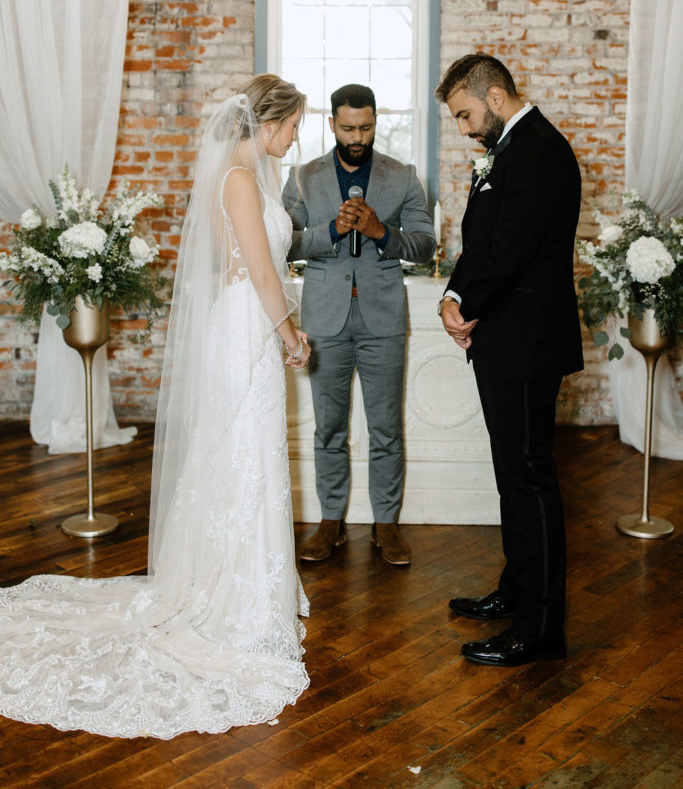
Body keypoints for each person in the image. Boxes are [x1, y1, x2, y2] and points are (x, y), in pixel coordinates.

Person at [0, 75, 312, 738]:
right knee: (239, 454)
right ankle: (228, 596)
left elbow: (266, 271)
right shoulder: (236, 179)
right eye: (292, 126)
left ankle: (244, 584)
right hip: (244, 331)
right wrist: (289, 331)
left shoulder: (255, 180)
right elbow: (258, 272)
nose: (295, 137)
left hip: (251, 328)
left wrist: (281, 324)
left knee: (246, 456)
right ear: (268, 122)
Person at [435, 54, 583, 667]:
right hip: (504, 338)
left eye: (466, 115)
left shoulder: (540, 152)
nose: (465, 130)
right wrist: (452, 292)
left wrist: (466, 301)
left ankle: (542, 627)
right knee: (511, 479)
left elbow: (513, 253)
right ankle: (517, 590)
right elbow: (482, 242)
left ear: (495, 96)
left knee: (530, 479)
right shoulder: (510, 150)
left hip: (526, 342)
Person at [282, 83, 436, 566]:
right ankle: (332, 523)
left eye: (366, 127)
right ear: (332, 123)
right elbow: (283, 243)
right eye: (348, 127)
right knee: (329, 429)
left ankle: (386, 527)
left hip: (384, 320)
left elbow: (425, 247)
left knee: (387, 428)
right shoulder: (303, 177)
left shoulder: (403, 176)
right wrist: (331, 232)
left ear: (375, 121)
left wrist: (379, 232)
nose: (357, 136)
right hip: (325, 319)